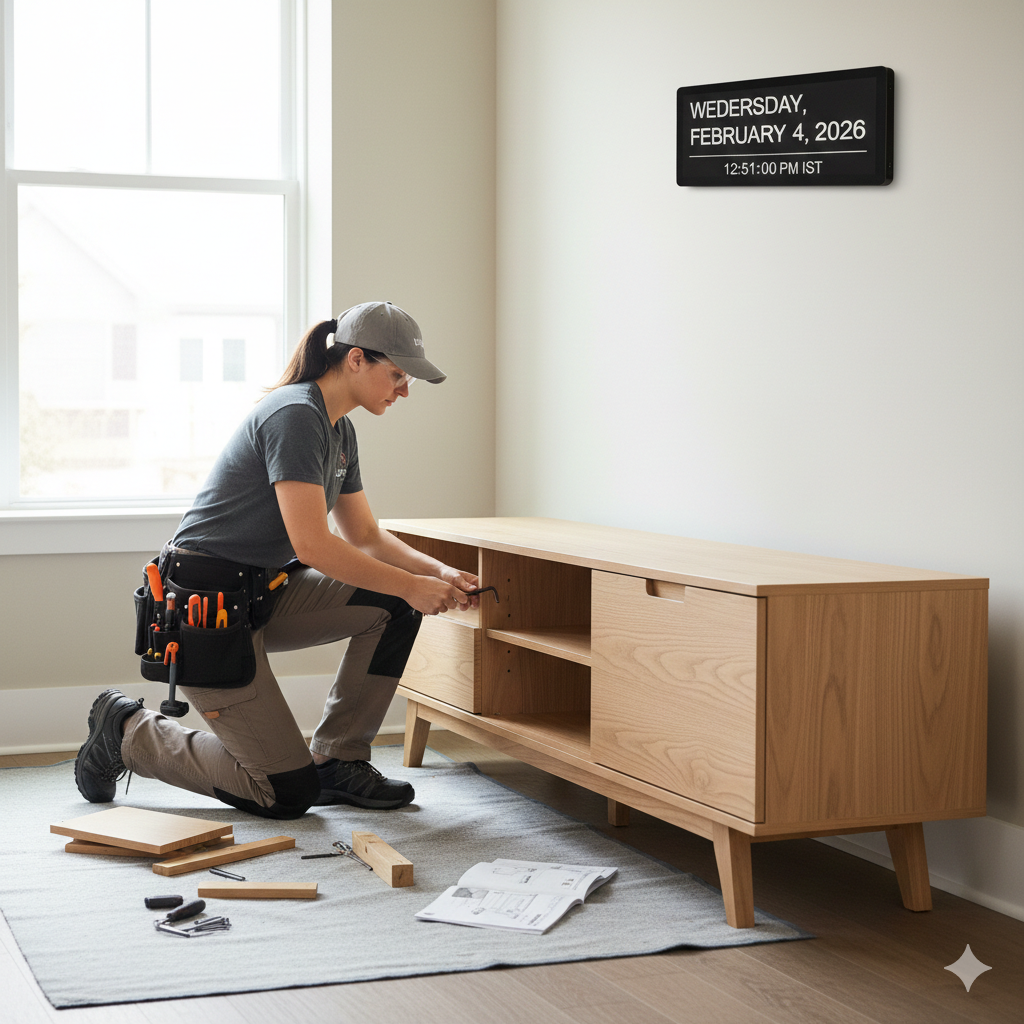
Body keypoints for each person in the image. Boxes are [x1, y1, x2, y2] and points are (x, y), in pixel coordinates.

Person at [74, 301, 479, 819]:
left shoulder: (339, 429)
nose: (403, 390)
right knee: (285, 794)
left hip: (265, 591)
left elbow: (366, 536)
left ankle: (338, 760)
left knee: (394, 605)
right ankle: (128, 730)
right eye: (397, 375)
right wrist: (409, 584)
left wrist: (436, 574)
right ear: (356, 359)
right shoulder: (295, 415)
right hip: (207, 608)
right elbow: (313, 545)